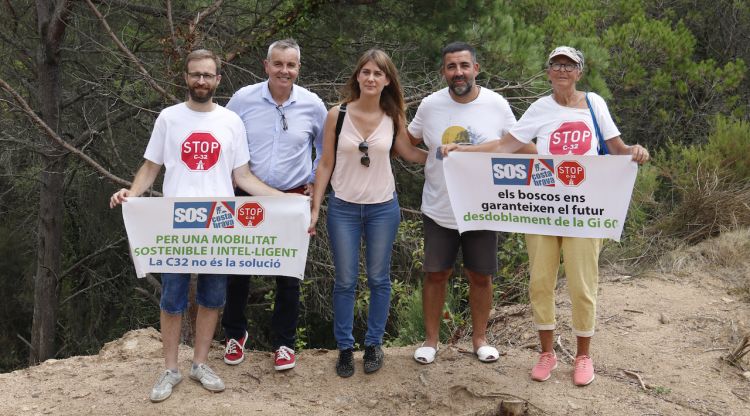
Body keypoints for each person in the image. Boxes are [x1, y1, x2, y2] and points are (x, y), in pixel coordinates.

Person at [442, 46, 650, 386]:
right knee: (540, 282)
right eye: (556, 65)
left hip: (584, 209)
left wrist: (634, 152)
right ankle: (547, 352)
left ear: (579, 72)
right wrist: (463, 150)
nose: (562, 70)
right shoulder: (540, 108)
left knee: (583, 284)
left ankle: (583, 355)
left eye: (569, 65)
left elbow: (617, 149)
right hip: (542, 209)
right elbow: (504, 147)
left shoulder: (595, 104)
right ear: (548, 72)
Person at [109, 49, 283, 402]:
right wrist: (133, 190)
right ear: (186, 78)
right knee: (172, 298)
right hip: (176, 222)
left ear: (218, 79)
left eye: (208, 75)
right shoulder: (169, 119)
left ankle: (200, 364)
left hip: (219, 221)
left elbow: (243, 176)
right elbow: (150, 166)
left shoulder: (231, 121)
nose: (201, 80)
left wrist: (285, 200)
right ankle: (170, 369)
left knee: (212, 297)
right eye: (195, 74)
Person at [408, 42, 530, 365]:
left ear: (476, 68)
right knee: (436, 274)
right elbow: (407, 142)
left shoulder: (497, 105)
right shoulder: (430, 105)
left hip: (483, 207)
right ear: (443, 72)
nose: (458, 72)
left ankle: (480, 339)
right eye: (451, 67)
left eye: (464, 66)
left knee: (480, 275)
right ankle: (431, 341)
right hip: (439, 207)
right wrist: (431, 161)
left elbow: (521, 147)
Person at [309, 49, 427, 377]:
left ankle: (374, 344)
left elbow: (407, 152)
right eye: (366, 72)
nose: (371, 78)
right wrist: (316, 207)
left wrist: (447, 156)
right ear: (357, 76)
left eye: (378, 73)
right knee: (345, 280)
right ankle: (345, 348)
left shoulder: (393, 115)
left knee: (379, 279)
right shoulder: (338, 114)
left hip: (382, 208)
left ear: (387, 80)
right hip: (343, 207)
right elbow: (326, 163)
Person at [221, 39, 326, 371]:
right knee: (238, 270)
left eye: (291, 65)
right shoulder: (242, 99)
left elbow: (326, 152)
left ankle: (284, 344)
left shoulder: (313, 105)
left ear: (298, 68)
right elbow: (224, 140)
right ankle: (234, 336)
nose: (284, 71)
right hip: (245, 194)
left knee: (288, 274)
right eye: (278, 64)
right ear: (266, 66)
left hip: (292, 199)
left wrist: (313, 180)